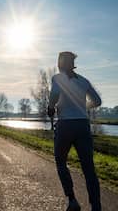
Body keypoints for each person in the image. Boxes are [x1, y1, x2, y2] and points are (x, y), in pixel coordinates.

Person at [48, 52, 102, 211]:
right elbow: (97, 101)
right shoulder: (84, 81)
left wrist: (51, 108)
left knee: (60, 160)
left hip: (65, 125)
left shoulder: (58, 78)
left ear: (60, 63)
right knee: (88, 167)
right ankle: (96, 206)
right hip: (83, 125)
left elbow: (55, 95)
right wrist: (82, 107)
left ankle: (72, 200)